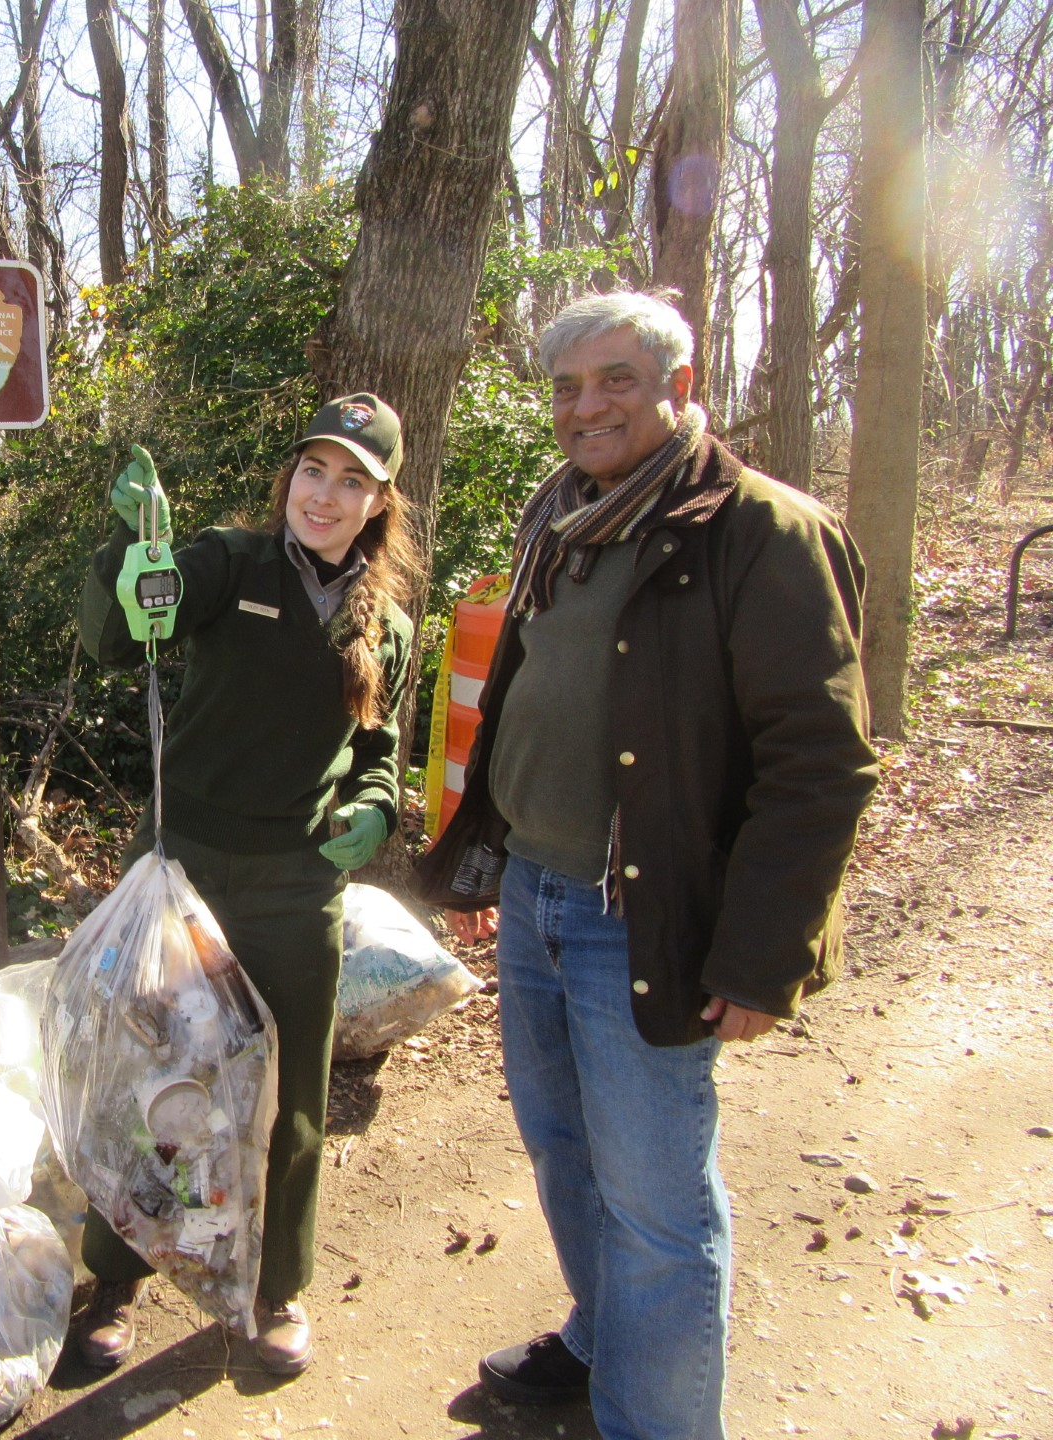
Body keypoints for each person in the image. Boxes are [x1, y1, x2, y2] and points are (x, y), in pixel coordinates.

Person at [414, 290, 879, 1439]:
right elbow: (525, 700)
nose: (588, 407)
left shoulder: (759, 531)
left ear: (679, 384)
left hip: (642, 914)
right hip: (536, 893)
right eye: (568, 387)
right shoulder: (560, 520)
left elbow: (821, 764)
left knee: (658, 1204)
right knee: (563, 1152)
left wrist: (762, 956)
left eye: (616, 380)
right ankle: (600, 1338)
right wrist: (487, 861)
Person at [72, 394, 419, 1376]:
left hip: (298, 885)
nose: (325, 494)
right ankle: (118, 1277)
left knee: (291, 1095)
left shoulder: (387, 625)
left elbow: (378, 751)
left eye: (351, 480)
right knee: (155, 1080)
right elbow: (119, 635)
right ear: (290, 479)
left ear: (379, 502)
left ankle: (279, 1288)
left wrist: (378, 809)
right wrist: (132, 546)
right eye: (313, 470)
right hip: (183, 867)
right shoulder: (230, 565)